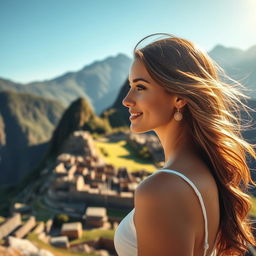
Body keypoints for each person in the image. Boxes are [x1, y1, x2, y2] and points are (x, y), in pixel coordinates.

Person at [114, 33, 256, 256]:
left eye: (140, 87)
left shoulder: (160, 190)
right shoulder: (207, 173)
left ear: (179, 98)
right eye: (131, 85)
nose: (126, 99)